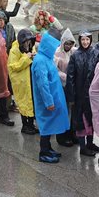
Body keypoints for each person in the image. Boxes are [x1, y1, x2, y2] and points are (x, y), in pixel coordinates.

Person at [32, 29, 70, 163]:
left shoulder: (46, 58)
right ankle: (43, 153)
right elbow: (43, 84)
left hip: (53, 97)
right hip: (47, 101)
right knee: (46, 126)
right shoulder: (40, 61)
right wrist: (49, 102)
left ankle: (48, 148)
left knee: (50, 124)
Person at [66, 30, 99, 156]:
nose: (85, 42)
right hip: (79, 94)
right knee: (81, 120)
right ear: (79, 41)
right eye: (83, 40)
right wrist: (72, 95)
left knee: (91, 119)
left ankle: (90, 143)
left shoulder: (96, 53)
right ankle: (82, 146)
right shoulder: (75, 55)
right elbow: (71, 77)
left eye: (87, 39)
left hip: (92, 94)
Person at [8, 29, 38, 134]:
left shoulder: (31, 46)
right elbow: (13, 66)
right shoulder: (14, 50)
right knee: (24, 103)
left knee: (31, 103)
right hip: (21, 83)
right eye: (26, 42)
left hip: (29, 81)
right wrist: (26, 58)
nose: (28, 44)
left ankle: (31, 125)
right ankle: (25, 126)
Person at [53, 28, 77, 147]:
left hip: (71, 86)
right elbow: (55, 71)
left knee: (71, 111)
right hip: (61, 86)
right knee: (63, 110)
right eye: (66, 43)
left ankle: (71, 133)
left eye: (70, 43)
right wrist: (67, 77)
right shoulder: (57, 53)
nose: (68, 46)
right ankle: (61, 136)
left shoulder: (74, 51)